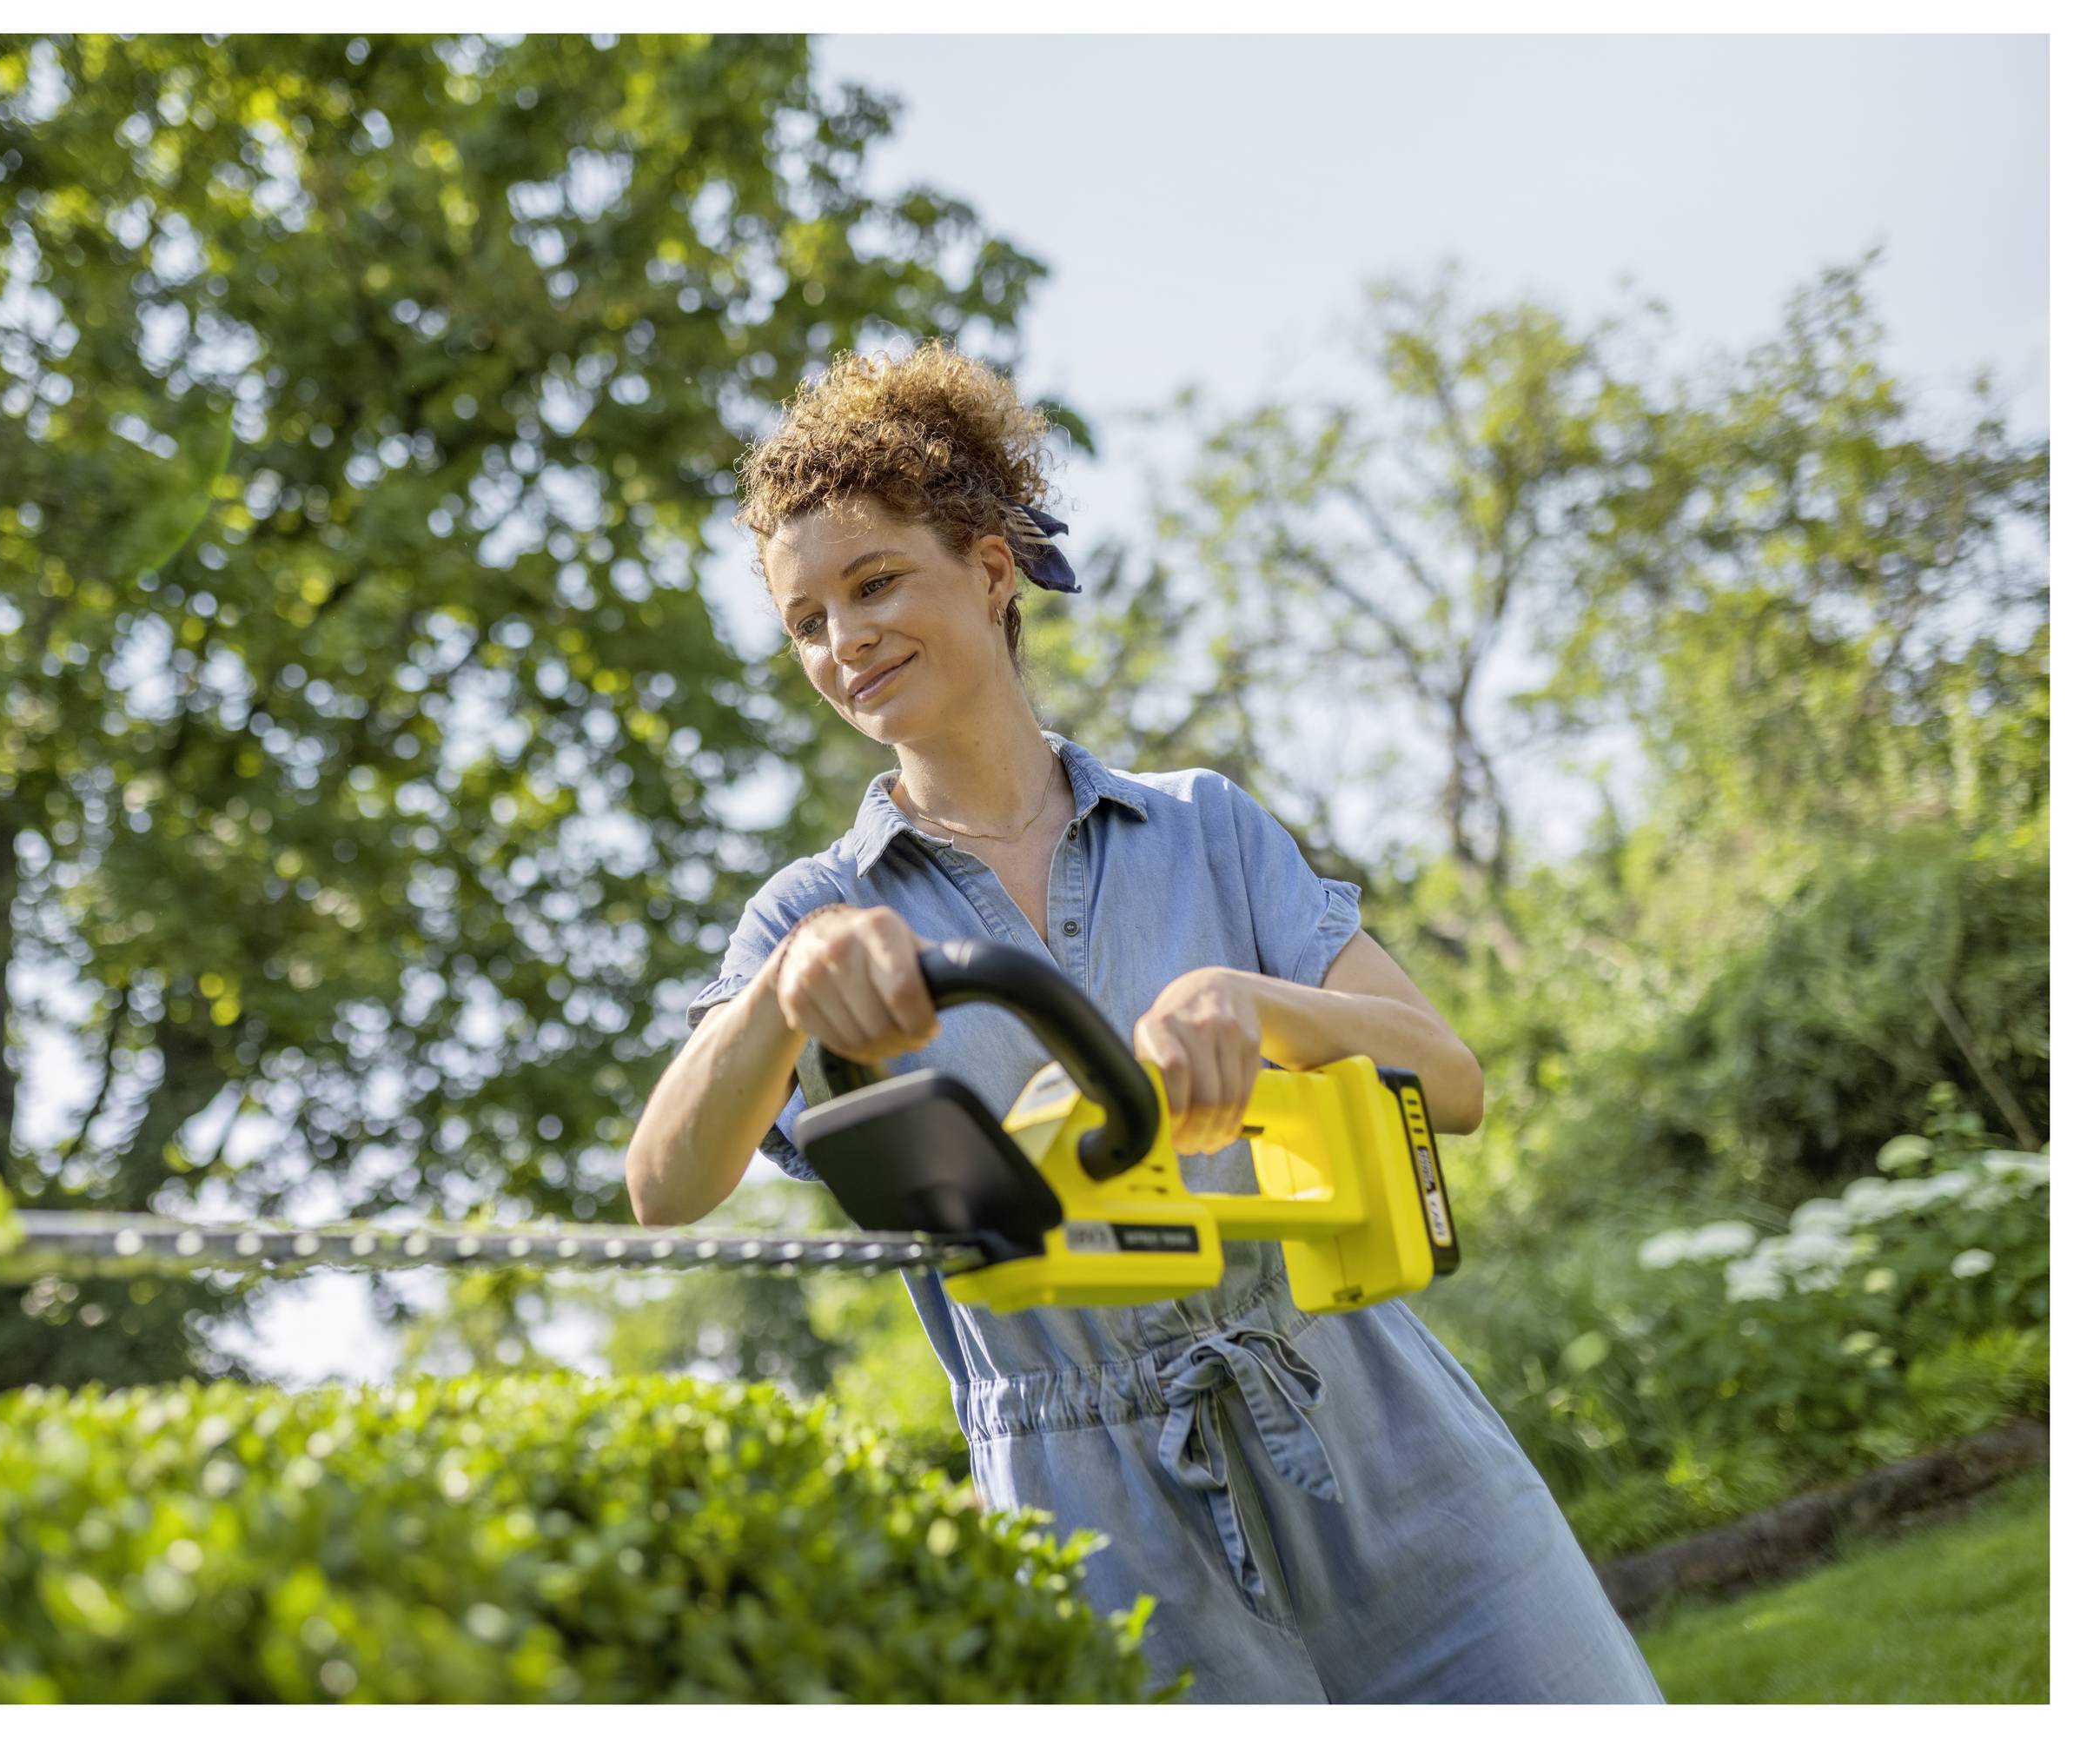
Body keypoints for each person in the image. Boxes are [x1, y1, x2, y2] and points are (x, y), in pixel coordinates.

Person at [622, 339, 1661, 1705]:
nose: (845, 643)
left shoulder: (1201, 828)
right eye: (807, 622)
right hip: (1096, 1511)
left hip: (1367, 1423)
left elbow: (1450, 1081)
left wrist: (1254, 1004)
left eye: (876, 584)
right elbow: (665, 1186)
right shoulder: (814, 914)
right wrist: (774, 998)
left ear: (992, 571)